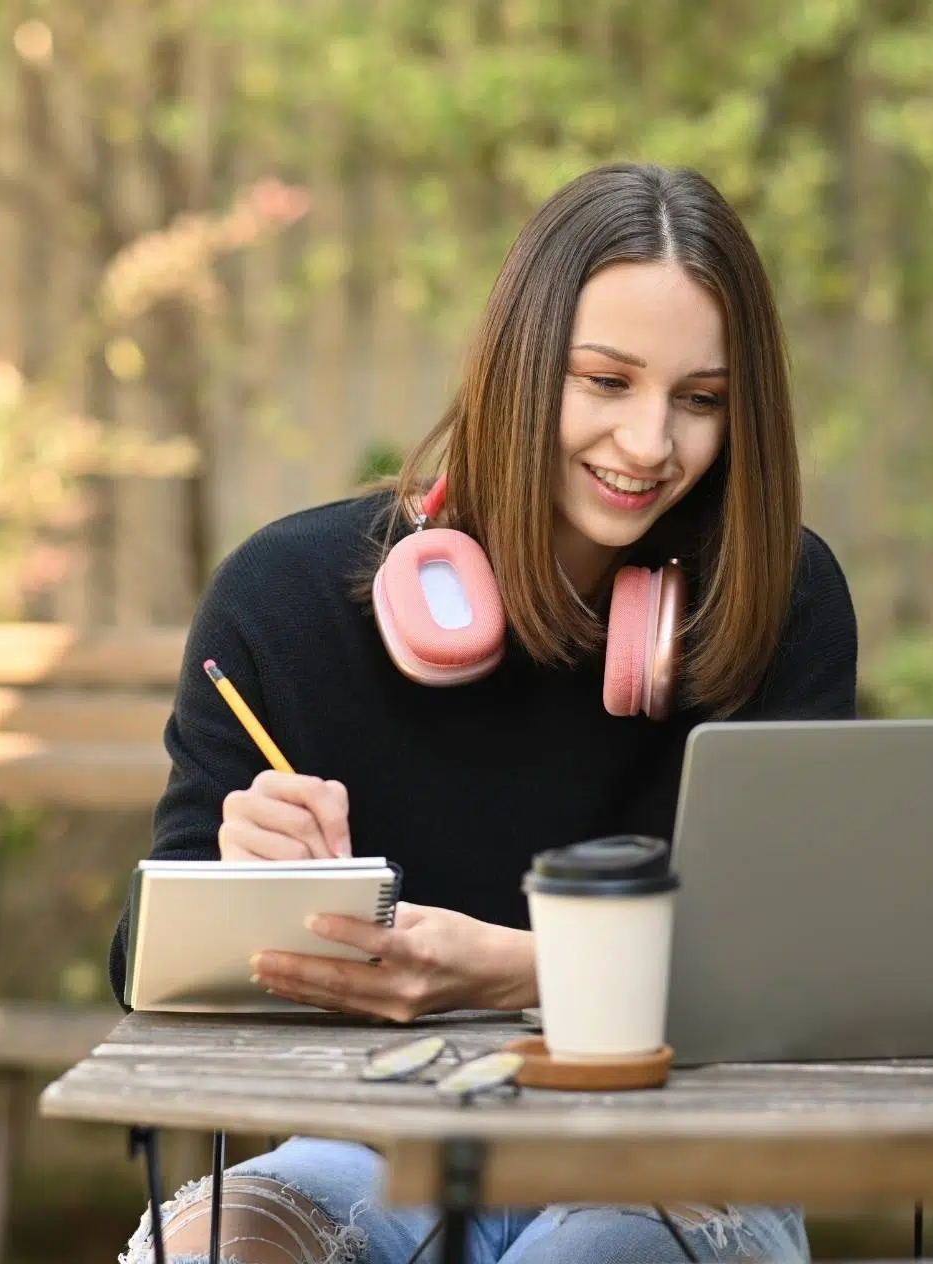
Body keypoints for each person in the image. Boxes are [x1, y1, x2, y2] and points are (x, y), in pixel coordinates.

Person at [109, 161, 857, 1264]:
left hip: (680, 1157)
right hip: (374, 1146)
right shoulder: (285, 599)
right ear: (516, 366)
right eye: (604, 381)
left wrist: (513, 966)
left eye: (698, 400)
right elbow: (140, 969)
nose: (650, 444)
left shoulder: (779, 598)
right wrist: (233, 886)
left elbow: (796, 966)